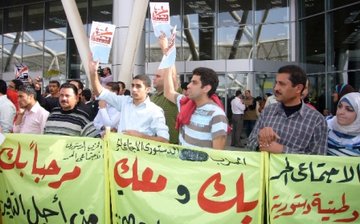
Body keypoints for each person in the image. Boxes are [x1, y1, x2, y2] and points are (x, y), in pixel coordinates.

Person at [247, 65, 327, 155]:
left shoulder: (316, 120)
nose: (276, 88)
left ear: (298, 88)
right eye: (276, 83)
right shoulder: (267, 111)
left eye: (282, 84)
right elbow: (250, 145)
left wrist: (282, 150)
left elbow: (318, 160)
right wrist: (260, 139)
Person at [89, 58, 169, 143]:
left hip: (141, 155)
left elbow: (164, 140)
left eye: (138, 86)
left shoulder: (155, 111)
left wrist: (140, 136)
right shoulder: (124, 102)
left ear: (148, 89)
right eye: (132, 85)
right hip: (119, 154)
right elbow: (101, 92)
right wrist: (93, 73)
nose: (134, 89)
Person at [162, 66, 228, 149]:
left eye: (194, 82)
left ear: (206, 88)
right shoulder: (185, 104)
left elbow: (218, 154)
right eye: (190, 82)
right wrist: (168, 61)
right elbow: (168, 92)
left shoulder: (217, 114)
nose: (189, 85)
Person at [151, 69, 179, 144]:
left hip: (172, 144)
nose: (154, 78)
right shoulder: (152, 97)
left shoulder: (172, 95)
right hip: (154, 143)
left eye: (158, 76)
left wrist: (169, 58)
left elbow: (173, 76)